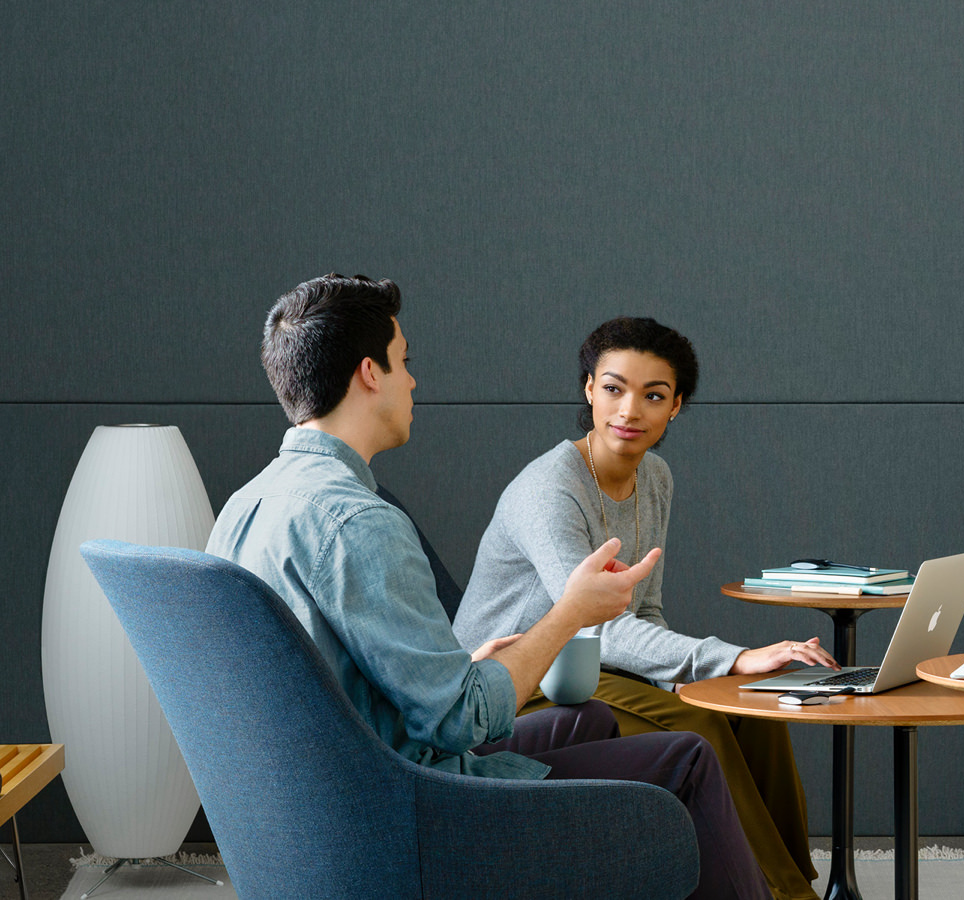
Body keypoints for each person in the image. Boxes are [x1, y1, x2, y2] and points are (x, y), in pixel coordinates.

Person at [207, 275, 769, 900]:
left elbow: (323, 680)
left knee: (588, 720)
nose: (413, 381)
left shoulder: (246, 504)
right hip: (411, 810)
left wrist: (459, 665)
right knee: (686, 758)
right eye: (404, 361)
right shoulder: (359, 522)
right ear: (370, 373)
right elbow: (462, 719)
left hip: (318, 809)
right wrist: (570, 613)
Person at [453, 317, 832, 900]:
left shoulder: (654, 477)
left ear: (675, 406)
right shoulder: (550, 489)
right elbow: (592, 620)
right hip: (520, 677)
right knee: (702, 723)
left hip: (597, 667)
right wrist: (728, 658)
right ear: (588, 388)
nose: (630, 410)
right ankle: (778, 895)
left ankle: (792, 878)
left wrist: (700, 674)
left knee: (752, 714)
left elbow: (643, 611)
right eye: (613, 388)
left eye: (653, 395)